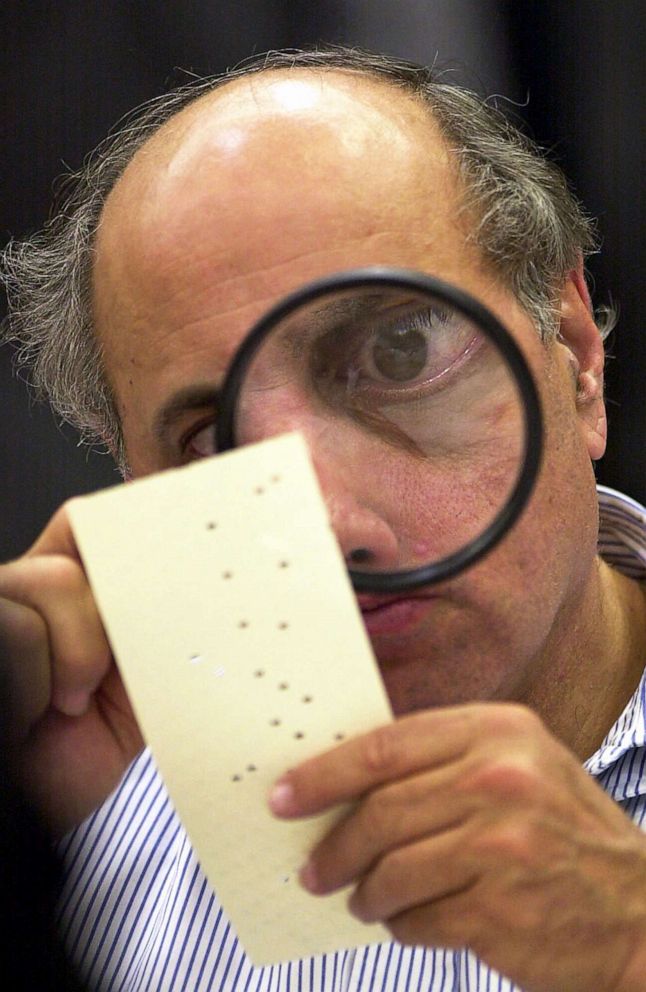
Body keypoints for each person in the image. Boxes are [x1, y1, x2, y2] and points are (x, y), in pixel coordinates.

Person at [1, 46, 645, 992]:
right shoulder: (75, 797)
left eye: (396, 353)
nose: (326, 527)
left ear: (576, 352)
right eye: (215, 445)